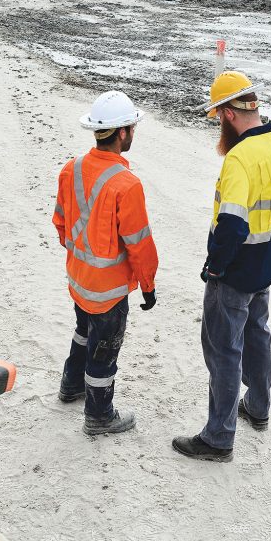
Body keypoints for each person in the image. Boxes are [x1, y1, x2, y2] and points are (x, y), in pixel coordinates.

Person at [172, 71, 271, 462]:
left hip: (235, 271)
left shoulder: (239, 158)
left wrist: (215, 267)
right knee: (257, 334)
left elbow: (230, 224)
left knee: (223, 350)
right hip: (268, 262)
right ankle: (258, 408)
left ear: (229, 115)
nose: (218, 125)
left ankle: (218, 438)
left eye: (217, 117)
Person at [53, 90, 158, 436]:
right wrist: (148, 285)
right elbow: (139, 244)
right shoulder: (127, 185)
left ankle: (71, 385)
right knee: (104, 349)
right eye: (132, 127)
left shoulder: (71, 169)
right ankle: (99, 415)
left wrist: (80, 259)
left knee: (83, 333)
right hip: (109, 290)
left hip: (79, 280)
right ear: (123, 132)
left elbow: (61, 222)